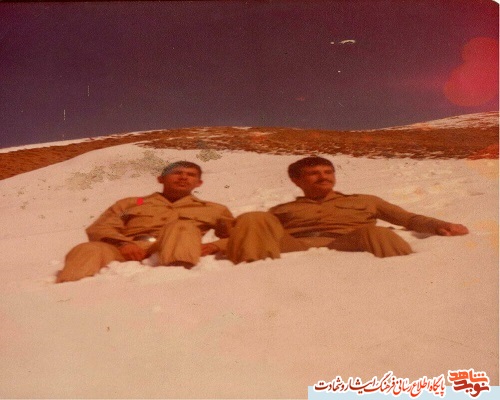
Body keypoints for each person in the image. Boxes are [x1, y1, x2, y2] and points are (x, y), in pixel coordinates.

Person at [225, 156, 468, 263]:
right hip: (296, 244)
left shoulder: (366, 200)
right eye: (314, 173)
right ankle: (254, 282)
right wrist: (216, 246)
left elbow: (409, 219)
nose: (323, 177)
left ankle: (405, 280)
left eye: (328, 172)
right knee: (253, 218)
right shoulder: (283, 209)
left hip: (348, 241)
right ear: (296, 180)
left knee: (379, 232)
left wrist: (438, 225)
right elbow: (251, 233)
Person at [56, 161, 234, 283]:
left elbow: (236, 236)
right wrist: (123, 244)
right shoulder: (133, 203)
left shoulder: (213, 209)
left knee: (182, 226)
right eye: (177, 173)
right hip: (128, 248)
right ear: (160, 179)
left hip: (176, 249)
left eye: (190, 175)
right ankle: (68, 294)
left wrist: (214, 246)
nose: (183, 177)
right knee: (88, 249)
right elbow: (102, 227)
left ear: (199, 183)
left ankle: (178, 281)